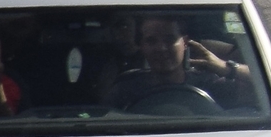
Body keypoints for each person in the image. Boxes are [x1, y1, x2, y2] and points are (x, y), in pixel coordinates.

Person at [105, 14, 254, 111]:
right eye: (151, 41)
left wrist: (224, 67)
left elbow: (266, 87)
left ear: (185, 43)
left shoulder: (210, 83)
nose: (161, 48)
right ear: (141, 46)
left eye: (170, 39)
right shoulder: (125, 89)